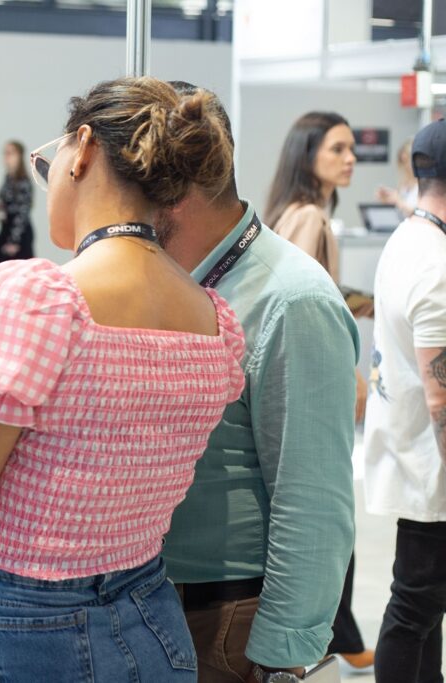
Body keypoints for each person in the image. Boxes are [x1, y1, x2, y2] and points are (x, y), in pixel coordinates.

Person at [0, 76, 246, 682]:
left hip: (21, 617)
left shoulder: (45, 301)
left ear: (85, 148)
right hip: (149, 609)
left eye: (54, 157)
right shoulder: (212, 318)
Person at [159, 84, 359, 683]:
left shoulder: (290, 298)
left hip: (226, 618)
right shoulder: (165, 277)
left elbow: (313, 497)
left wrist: (278, 655)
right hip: (154, 605)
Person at [267, 111, 375, 673]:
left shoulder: (289, 213)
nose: (349, 157)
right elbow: (313, 299)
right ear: (309, 154)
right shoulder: (309, 216)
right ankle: (336, 635)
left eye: (351, 148)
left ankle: (341, 634)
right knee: (328, 513)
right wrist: (354, 379)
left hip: (292, 380)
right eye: (337, 148)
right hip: (312, 381)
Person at [364, 119, 446, 683]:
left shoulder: (410, 239)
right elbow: (440, 393)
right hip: (430, 467)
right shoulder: (436, 261)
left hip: (410, 453)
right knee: (414, 609)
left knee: (423, 612)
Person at [0, 139, 35, 265]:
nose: (6, 157)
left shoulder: (23, 182)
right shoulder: (8, 179)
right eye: (5, 153)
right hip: (6, 228)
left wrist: (14, 241)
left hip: (18, 232)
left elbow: (22, 213)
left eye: (10, 153)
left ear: (19, 156)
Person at [376, 137, 418, 218]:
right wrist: (388, 198)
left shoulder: (425, 184)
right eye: (403, 162)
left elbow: (420, 214)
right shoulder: (404, 184)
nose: (405, 166)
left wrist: (398, 200)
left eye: (407, 161)